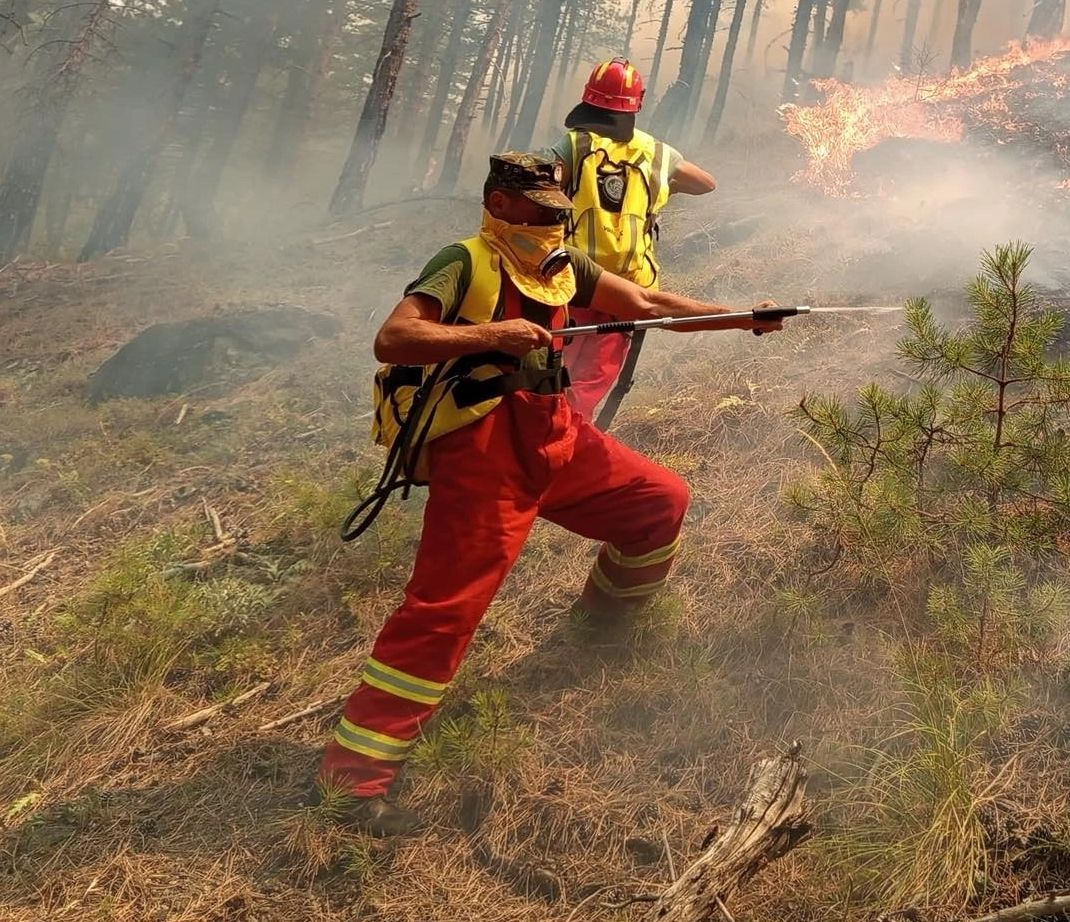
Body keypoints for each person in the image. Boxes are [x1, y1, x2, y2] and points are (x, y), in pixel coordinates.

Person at [318, 152, 780, 835]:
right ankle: (353, 781)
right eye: (540, 214)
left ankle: (603, 626)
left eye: (561, 215)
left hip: (557, 437)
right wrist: (492, 333)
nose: (554, 226)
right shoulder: (465, 261)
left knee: (659, 502)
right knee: (444, 612)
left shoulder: (563, 264)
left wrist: (742, 316)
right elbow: (395, 338)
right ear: (500, 207)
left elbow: (648, 305)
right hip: (481, 456)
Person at [543, 59, 716, 429]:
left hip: (574, 282)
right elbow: (706, 183)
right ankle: (567, 448)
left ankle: (546, 449)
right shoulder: (655, 152)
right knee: (588, 385)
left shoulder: (574, 144)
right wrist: (662, 183)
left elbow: (542, 187)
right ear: (636, 104)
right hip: (630, 289)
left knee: (550, 379)